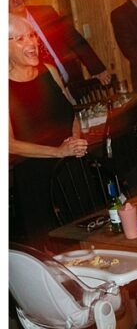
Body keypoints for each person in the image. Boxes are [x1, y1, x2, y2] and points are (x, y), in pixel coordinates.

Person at [8, 13, 88, 245]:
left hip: (71, 169)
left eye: (32, 35)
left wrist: (74, 141)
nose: (32, 43)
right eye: (21, 39)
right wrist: (58, 152)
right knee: (57, 249)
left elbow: (70, 110)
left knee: (88, 240)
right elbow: (9, 144)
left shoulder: (49, 70)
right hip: (37, 178)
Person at [8, 0, 111, 91]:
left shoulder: (45, 12)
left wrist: (97, 68)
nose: (16, 0)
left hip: (73, 82)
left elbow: (74, 39)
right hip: (46, 90)